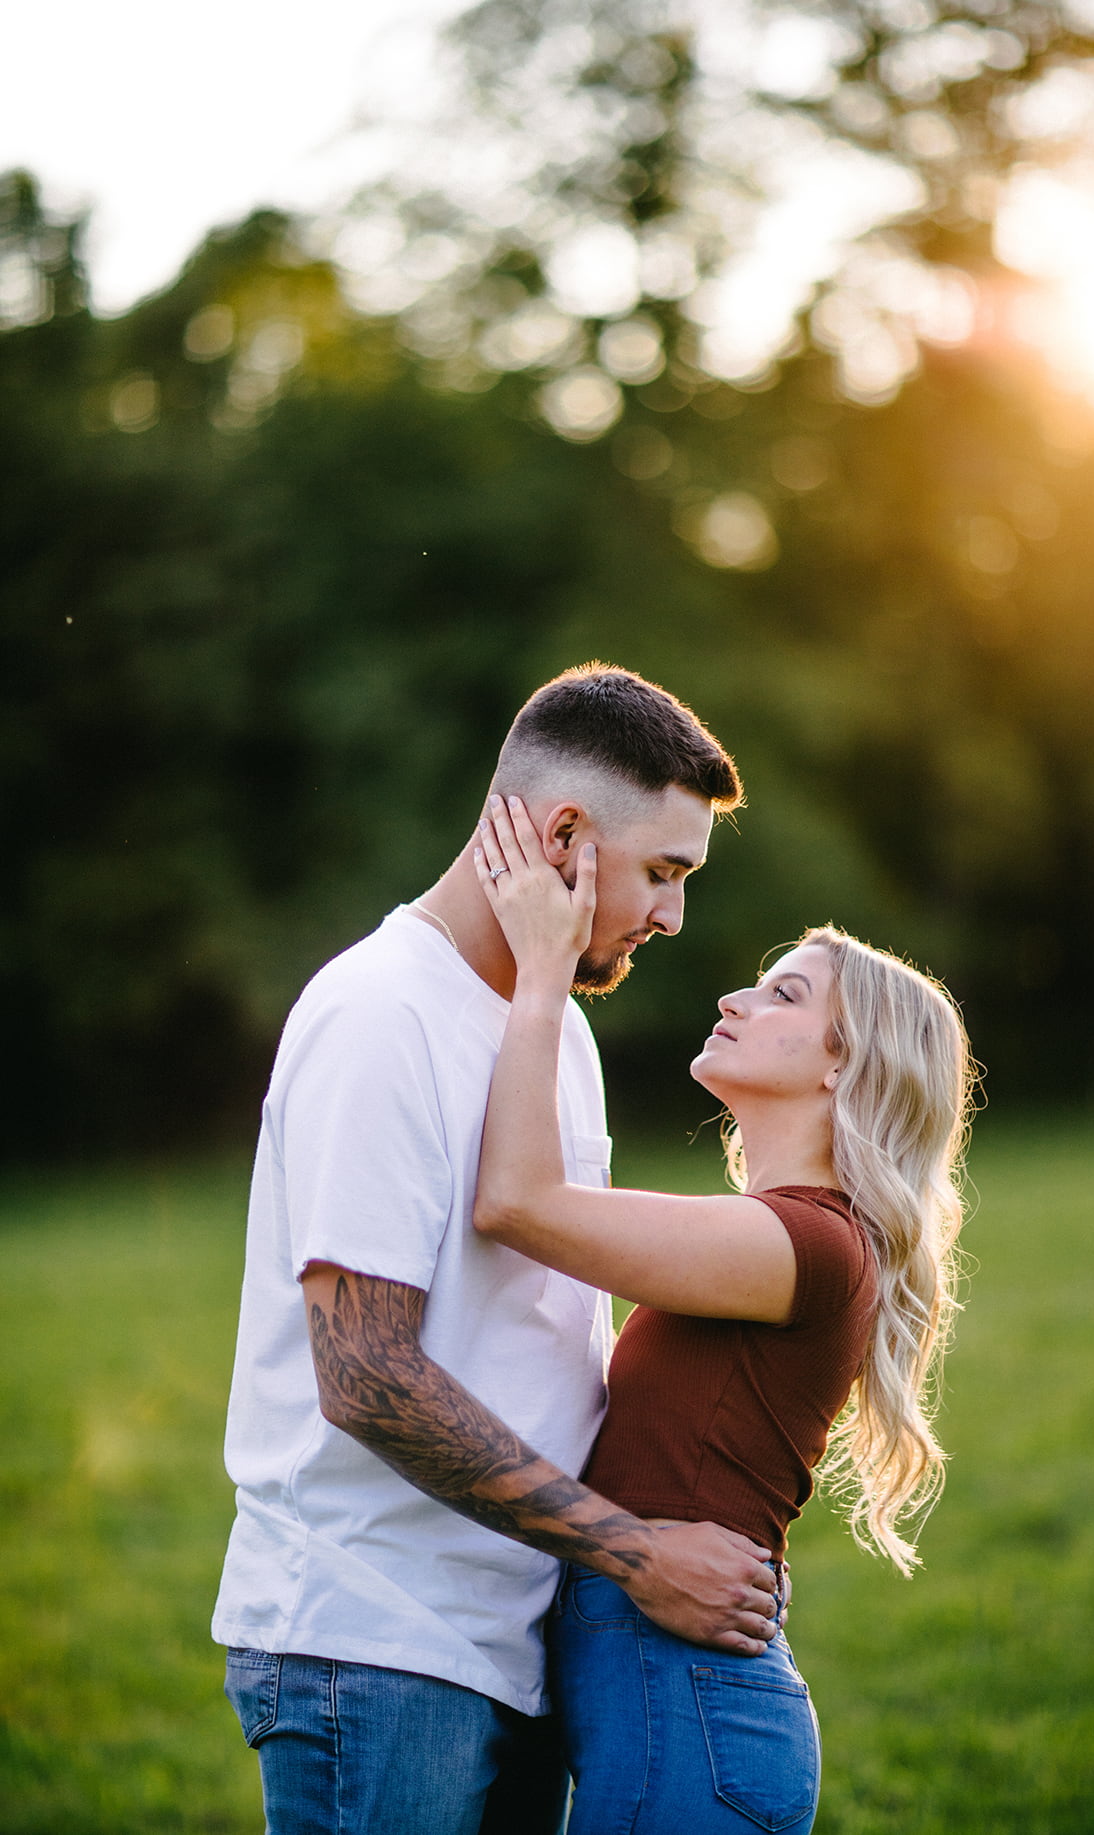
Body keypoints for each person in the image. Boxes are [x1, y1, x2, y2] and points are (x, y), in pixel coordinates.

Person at [212, 664, 783, 1835]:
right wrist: (632, 1550)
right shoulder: (380, 1013)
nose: (672, 917)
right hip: (374, 1641)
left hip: (512, 1637)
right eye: (663, 872)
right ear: (564, 833)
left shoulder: (553, 1024)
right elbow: (364, 1373)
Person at [472, 797, 975, 1835]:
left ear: (843, 1059)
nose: (734, 994)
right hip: (670, 1708)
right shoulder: (790, 1234)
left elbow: (516, 1201)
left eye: (781, 991)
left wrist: (540, 970)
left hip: (693, 1720)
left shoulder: (806, 1240)